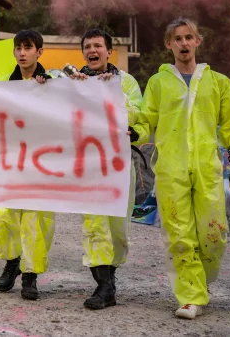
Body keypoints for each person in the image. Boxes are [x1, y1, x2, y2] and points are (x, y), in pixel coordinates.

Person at [132, 18, 230, 320]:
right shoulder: (158, 83)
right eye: (177, 39)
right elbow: (146, 120)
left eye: (189, 37)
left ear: (198, 41)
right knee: (180, 234)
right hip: (171, 170)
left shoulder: (218, 82)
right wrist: (135, 133)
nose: (183, 43)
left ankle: (200, 282)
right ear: (168, 44)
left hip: (207, 168)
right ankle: (190, 295)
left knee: (214, 234)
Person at [65, 29, 142, 310]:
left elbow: (139, 115)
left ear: (109, 51)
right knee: (94, 224)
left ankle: (109, 279)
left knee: (118, 227)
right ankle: (104, 287)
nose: (92, 50)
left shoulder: (126, 82)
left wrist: (111, 93)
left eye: (98, 45)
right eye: (87, 46)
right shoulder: (72, 82)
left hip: (119, 164)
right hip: (87, 164)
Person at [0, 30, 54, 300]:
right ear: (13, 52)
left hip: (40, 164)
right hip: (10, 163)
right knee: (2, 215)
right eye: (18, 48)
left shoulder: (53, 84)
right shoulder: (2, 85)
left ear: (39, 52)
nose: (22, 52)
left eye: (28, 47)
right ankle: (12, 262)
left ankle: (31, 275)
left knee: (35, 220)